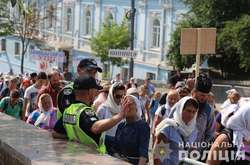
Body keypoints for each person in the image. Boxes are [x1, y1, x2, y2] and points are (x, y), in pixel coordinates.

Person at [52, 76, 129, 154]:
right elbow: (96, 127)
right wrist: (120, 115)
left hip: (76, 154)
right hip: (92, 156)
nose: (96, 93)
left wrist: (74, 138)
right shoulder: (84, 111)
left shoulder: (68, 110)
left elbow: (55, 133)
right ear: (90, 91)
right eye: (96, 90)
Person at [168, 74, 215, 160]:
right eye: (201, 95)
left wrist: (200, 148)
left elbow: (210, 134)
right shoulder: (181, 104)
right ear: (194, 92)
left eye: (206, 95)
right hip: (174, 152)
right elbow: (169, 124)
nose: (203, 98)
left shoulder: (209, 111)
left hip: (195, 156)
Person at [153, 96, 199, 165]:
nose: (191, 115)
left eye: (194, 112)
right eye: (188, 111)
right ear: (180, 110)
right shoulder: (168, 129)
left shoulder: (193, 130)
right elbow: (159, 156)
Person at [111, 95, 150, 165]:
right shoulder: (121, 126)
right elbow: (115, 149)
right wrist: (119, 160)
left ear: (137, 107)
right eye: (125, 103)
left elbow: (143, 155)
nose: (127, 106)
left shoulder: (143, 126)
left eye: (130, 103)